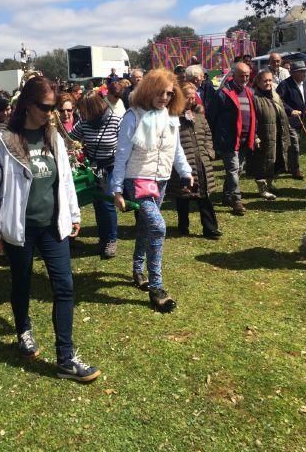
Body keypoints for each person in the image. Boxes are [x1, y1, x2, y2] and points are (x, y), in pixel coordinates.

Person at [0, 76, 100, 382]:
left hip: (52, 225)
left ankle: (66, 358)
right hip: (20, 228)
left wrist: (73, 214)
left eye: (55, 106)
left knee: (65, 286)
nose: (52, 112)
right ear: (28, 105)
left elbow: (66, 179)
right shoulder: (2, 141)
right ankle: (23, 330)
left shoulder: (54, 136)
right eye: (46, 107)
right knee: (21, 281)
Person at [112, 68, 192, 312]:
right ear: (148, 90)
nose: (164, 98)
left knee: (146, 227)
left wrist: (186, 171)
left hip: (162, 179)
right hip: (137, 179)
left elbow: (176, 150)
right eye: (160, 93)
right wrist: (116, 189)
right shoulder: (132, 117)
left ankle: (138, 269)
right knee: (158, 227)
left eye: (169, 93)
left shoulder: (170, 117)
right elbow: (122, 154)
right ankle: (156, 287)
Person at [70, 92, 121, 259]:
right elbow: (70, 138)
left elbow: (125, 144)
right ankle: (103, 237)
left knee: (107, 200)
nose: (82, 114)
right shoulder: (84, 123)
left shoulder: (115, 120)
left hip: (111, 166)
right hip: (94, 167)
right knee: (98, 201)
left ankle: (111, 240)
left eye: (85, 110)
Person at [172, 83, 221, 239]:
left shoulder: (200, 116)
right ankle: (183, 226)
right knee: (183, 197)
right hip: (184, 163)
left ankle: (210, 228)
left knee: (204, 197)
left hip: (202, 162)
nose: (192, 99)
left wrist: (209, 152)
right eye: (188, 96)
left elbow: (208, 134)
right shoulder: (174, 118)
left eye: (194, 96)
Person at [211, 62, 257, 216]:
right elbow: (212, 117)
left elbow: (253, 116)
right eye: (242, 75)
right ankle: (236, 200)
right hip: (229, 140)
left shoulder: (250, 92)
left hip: (245, 139)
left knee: (238, 170)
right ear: (233, 75)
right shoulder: (223, 93)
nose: (245, 78)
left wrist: (255, 134)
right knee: (233, 170)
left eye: (247, 75)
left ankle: (227, 195)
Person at [251, 70, 290, 200]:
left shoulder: (274, 95)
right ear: (258, 82)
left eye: (270, 80)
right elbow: (252, 120)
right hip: (264, 136)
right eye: (265, 81)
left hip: (277, 133)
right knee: (262, 162)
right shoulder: (255, 98)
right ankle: (262, 189)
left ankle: (270, 184)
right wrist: (255, 136)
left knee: (274, 160)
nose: (268, 83)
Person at [276, 60, 306, 180]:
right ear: (294, 73)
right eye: (302, 72)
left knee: (295, 144)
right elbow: (278, 100)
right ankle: (296, 170)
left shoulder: (305, 84)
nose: (305, 74)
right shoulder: (285, 85)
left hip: (300, 121)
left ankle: (288, 165)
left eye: (305, 71)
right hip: (289, 120)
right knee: (295, 145)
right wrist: (290, 110)